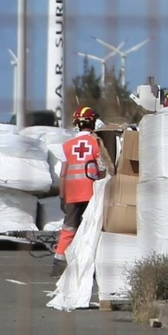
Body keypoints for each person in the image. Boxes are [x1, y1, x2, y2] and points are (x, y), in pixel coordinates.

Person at [55, 106, 109, 272]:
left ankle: (58, 261)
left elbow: (63, 174)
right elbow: (103, 168)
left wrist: (62, 196)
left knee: (69, 227)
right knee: (92, 228)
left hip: (71, 193)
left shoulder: (67, 145)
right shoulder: (97, 143)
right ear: (93, 122)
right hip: (91, 192)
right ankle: (88, 264)